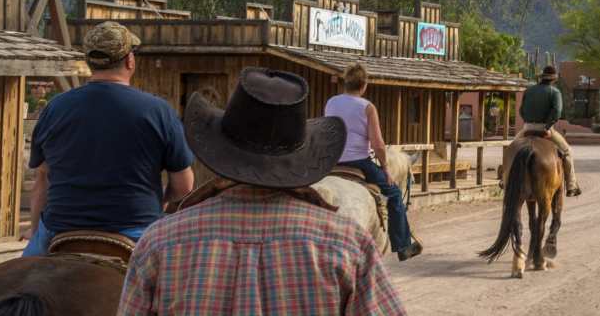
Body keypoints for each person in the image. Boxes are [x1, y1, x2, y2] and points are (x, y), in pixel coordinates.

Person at [118, 68, 405, 315]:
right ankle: (403, 240)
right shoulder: (349, 244)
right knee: (392, 195)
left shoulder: (159, 242)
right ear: (301, 155)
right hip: (360, 162)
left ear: (219, 149)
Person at [21, 21, 195, 257]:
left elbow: (42, 180)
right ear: (130, 61)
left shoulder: (55, 108)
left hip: (60, 228)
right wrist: (162, 199)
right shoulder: (159, 111)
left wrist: (34, 231)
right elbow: (184, 186)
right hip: (137, 230)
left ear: (89, 62)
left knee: (21, 274)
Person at [325, 63, 423, 261]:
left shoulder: (331, 102)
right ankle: (403, 246)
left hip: (331, 162)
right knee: (394, 194)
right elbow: (378, 144)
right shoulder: (367, 107)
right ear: (364, 86)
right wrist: (385, 168)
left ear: (345, 83)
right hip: (359, 162)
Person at [518, 65, 582, 197]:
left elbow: (521, 110)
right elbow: (557, 112)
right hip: (545, 129)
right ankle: (571, 186)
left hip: (527, 127)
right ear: (553, 79)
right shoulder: (555, 92)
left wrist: (528, 123)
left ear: (542, 77)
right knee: (567, 151)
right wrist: (547, 127)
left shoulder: (528, 91)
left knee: (511, 149)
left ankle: (505, 179)